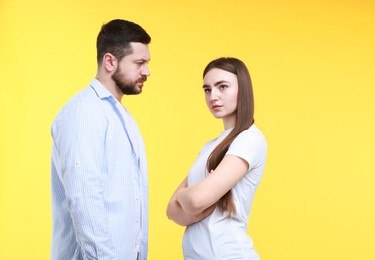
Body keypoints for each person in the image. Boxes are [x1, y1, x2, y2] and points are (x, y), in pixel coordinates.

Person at [51, 19, 151, 260]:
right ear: (109, 61)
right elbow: (84, 196)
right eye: (139, 63)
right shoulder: (84, 111)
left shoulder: (120, 116)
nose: (147, 72)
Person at [166, 57, 267, 259]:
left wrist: (184, 197)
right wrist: (195, 199)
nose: (213, 96)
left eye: (223, 87)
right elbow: (171, 211)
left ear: (243, 89)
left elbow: (194, 200)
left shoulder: (249, 139)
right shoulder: (210, 147)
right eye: (207, 89)